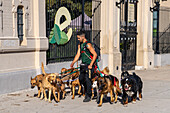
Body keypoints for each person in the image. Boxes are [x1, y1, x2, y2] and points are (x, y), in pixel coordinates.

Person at [70, 30, 97, 102]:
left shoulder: (88, 45)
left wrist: (91, 65)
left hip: (89, 65)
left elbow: (95, 55)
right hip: (83, 65)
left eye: (79, 38)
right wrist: (73, 62)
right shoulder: (80, 44)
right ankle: (88, 90)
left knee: (88, 80)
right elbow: (78, 54)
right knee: (81, 79)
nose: (78, 39)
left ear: (83, 37)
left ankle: (88, 95)